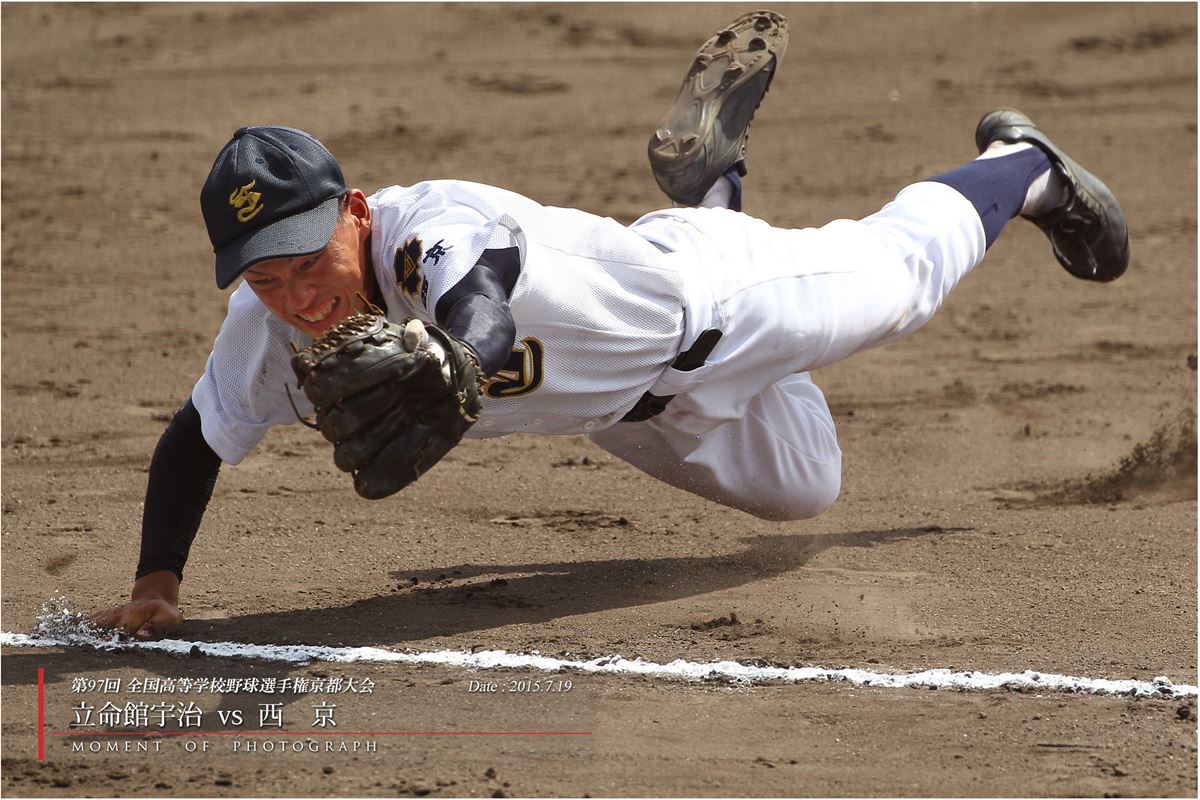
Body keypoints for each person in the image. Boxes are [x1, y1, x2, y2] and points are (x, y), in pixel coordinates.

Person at [90, 10, 1128, 638]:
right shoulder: (266, 325)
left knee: (901, 279)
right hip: (636, 410)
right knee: (807, 485)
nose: (298, 297)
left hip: (719, 305)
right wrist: (156, 585)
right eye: (265, 278)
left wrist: (453, 352)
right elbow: (197, 436)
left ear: (354, 210)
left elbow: (481, 297)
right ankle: (712, 184)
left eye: (308, 261)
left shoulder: (433, 229)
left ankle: (1022, 168)